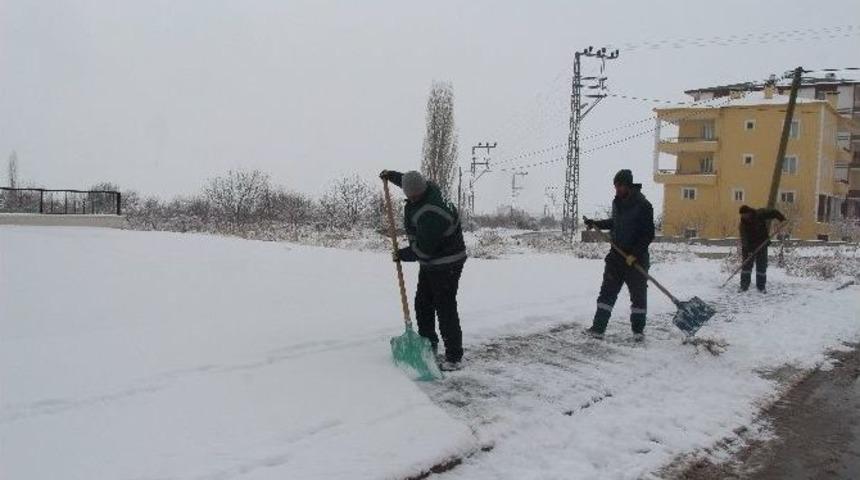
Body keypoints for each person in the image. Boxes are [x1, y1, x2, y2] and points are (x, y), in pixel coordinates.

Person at [379, 169, 467, 370]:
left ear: (422, 191)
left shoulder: (432, 213)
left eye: (416, 196)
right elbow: (406, 180)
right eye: (410, 196)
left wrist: (403, 254)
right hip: (432, 262)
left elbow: (425, 249)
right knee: (423, 304)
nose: (413, 198)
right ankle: (429, 344)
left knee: (444, 307)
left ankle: (454, 356)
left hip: (447, 262)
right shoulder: (423, 186)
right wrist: (390, 175)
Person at [582, 169, 655, 341]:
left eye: (619, 186)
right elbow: (615, 223)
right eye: (615, 186)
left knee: (638, 297)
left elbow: (648, 234)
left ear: (628, 185)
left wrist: (635, 254)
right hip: (616, 257)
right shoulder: (617, 203)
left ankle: (638, 332)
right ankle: (598, 329)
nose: (616, 189)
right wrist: (595, 223)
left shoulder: (644, 206)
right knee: (607, 293)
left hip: (635, 260)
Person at [737, 205, 786, 293]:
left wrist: (781, 218)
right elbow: (744, 239)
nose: (743, 217)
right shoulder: (743, 225)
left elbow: (772, 212)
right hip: (749, 247)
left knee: (762, 266)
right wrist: (748, 250)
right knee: (746, 266)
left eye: (745, 215)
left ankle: (761, 287)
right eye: (742, 215)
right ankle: (744, 286)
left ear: (749, 213)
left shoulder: (759, 214)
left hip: (761, 244)